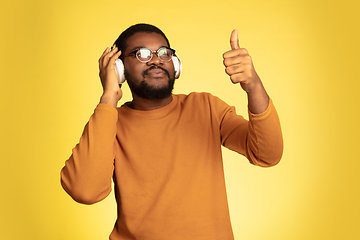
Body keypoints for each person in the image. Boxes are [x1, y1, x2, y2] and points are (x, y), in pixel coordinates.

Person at [60, 23, 283, 240]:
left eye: (164, 53)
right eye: (142, 54)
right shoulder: (109, 123)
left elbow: (266, 154)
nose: (156, 59)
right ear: (119, 69)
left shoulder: (206, 106)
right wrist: (109, 97)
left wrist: (253, 85)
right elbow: (85, 191)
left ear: (175, 64)